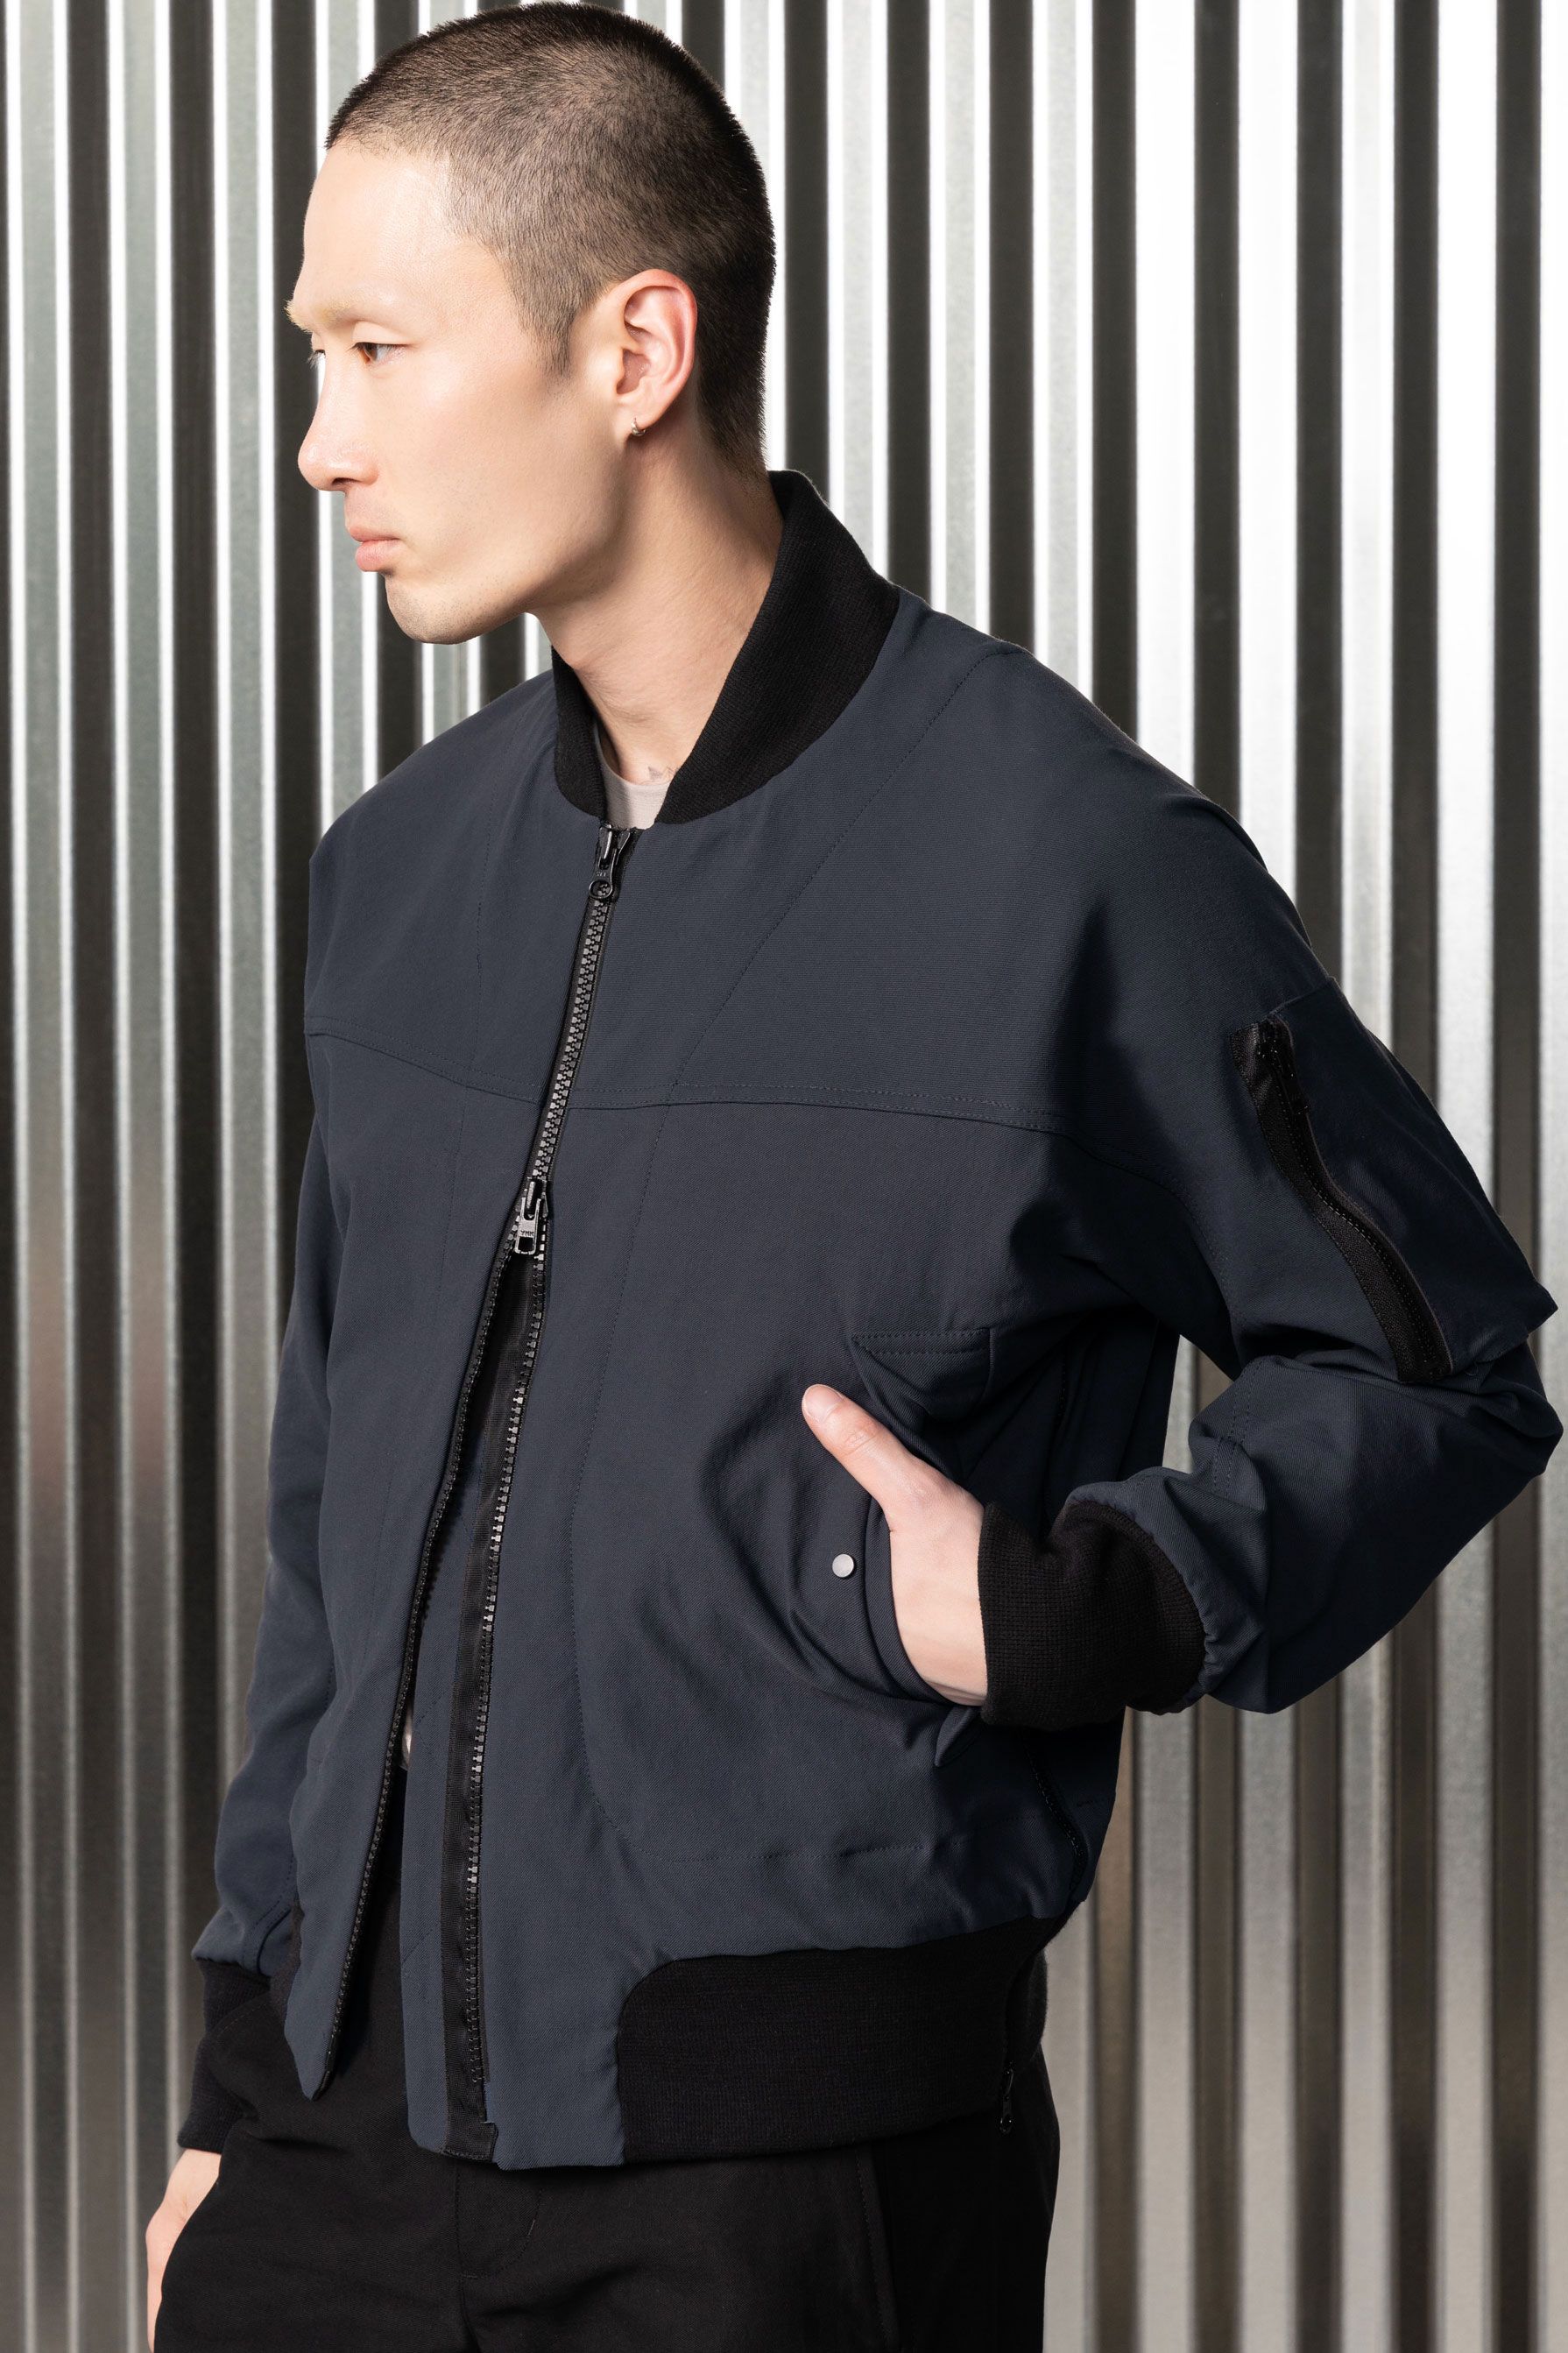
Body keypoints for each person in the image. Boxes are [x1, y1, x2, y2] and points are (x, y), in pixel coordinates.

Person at [144, 8, 1562, 2349]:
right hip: (334, 2165)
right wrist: (236, 2078)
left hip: (789, 2191)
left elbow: (1439, 1365)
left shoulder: (1065, 867)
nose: (323, 443)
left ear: (635, 349)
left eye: (377, 352)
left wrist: (1090, 1598)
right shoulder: (394, 877)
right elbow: (332, 1523)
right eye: (317, 361)